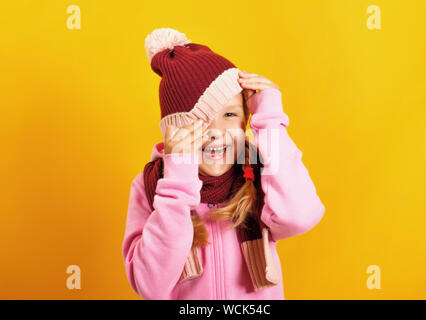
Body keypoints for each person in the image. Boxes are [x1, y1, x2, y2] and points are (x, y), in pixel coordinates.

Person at [122, 27, 325, 300]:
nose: (215, 130)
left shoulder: (258, 174)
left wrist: (270, 121)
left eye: (230, 114)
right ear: (174, 132)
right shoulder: (152, 187)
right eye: (197, 120)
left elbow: (300, 216)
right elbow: (150, 286)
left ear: (245, 120)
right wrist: (179, 177)